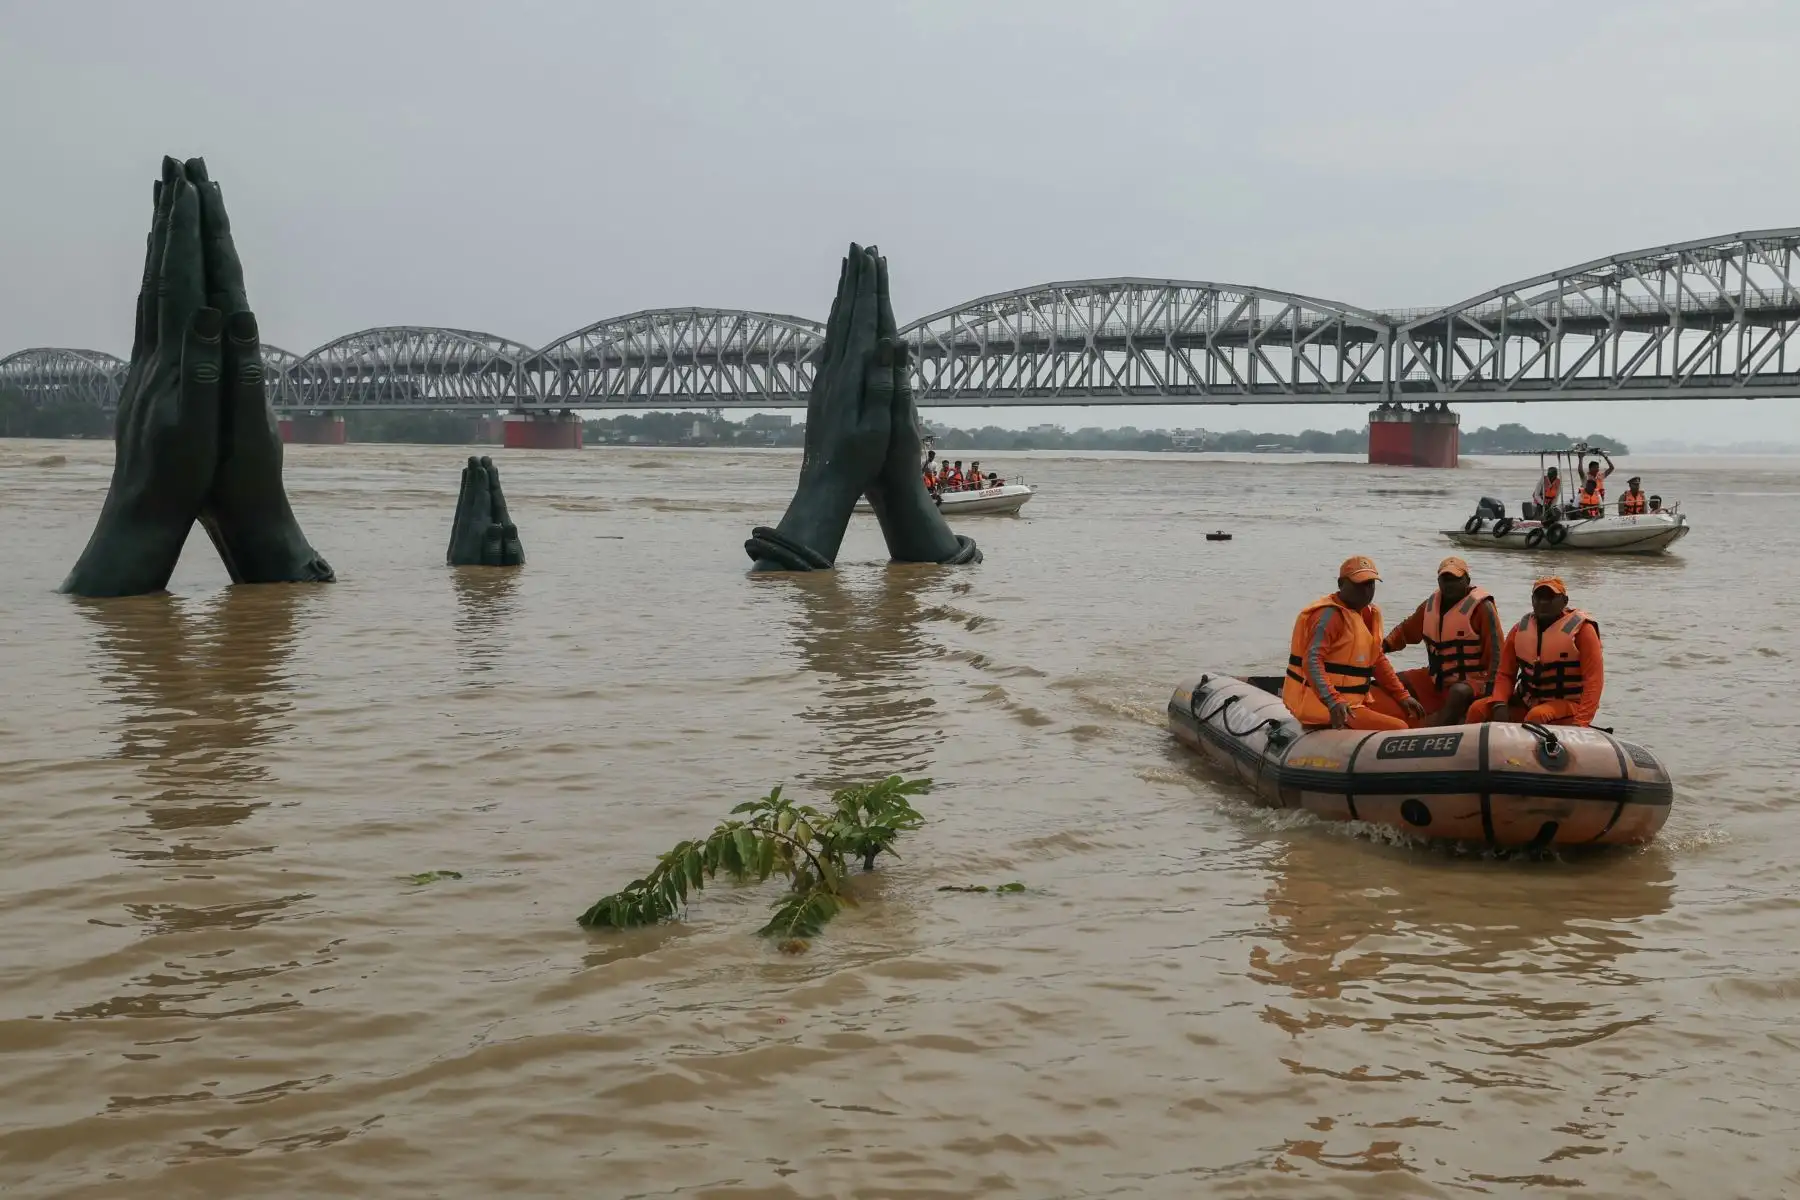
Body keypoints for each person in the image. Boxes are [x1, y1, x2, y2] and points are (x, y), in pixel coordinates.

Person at [1282, 556, 1427, 731]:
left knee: (1413, 716)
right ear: (1341, 583)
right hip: (1325, 705)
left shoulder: (1367, 613)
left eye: (1370, 584)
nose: (1366, 591)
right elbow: (1312, 661)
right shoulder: (1329, 616)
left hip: (1353, 702)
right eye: (1359, 584)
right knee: (1399, 728)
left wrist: (1402, 696)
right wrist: (1333, 700)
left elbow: (1377, 660)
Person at [1379, 556, 1502, 726]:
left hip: (1474, 681)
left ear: (1467, 580)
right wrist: (1383, 646)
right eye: (1445, 579)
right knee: (1394, 680)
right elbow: (1406, 631)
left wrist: (1495, 691)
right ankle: (1392, 723)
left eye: (1455, 579)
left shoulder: (1481, 607)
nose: (1449, 584)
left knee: (1458, 692)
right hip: (1436, 678)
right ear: (1438, 581)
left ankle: (1434, 733)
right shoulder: (1430, 606)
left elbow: (1497, 653)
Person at [1465, 577, 1603, 727]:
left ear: (1564, 601)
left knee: (1537, 715)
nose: (1543, 602)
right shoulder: (1519, 630)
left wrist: (1581, 723)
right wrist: (1499, 703)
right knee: (1477, 709)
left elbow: (1594, 680)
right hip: (1527, 701)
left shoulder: (1583, 631)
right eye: (1539, 597)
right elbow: (1505, 673)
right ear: (1532, 600)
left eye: (1550, 597)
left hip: (1567, 705)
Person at [1577, 450, 1614, 517]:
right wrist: (1581, 458)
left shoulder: (1600, 476)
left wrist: (1604, 456)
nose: (1597, 469)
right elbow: (1580, 470)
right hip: (1587, 503)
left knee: (1601, 515)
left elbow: (1611, 468)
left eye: (1598, 467)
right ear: (1590, 468)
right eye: (1595, 467)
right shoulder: (1586, 477)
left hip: (1599, 501)